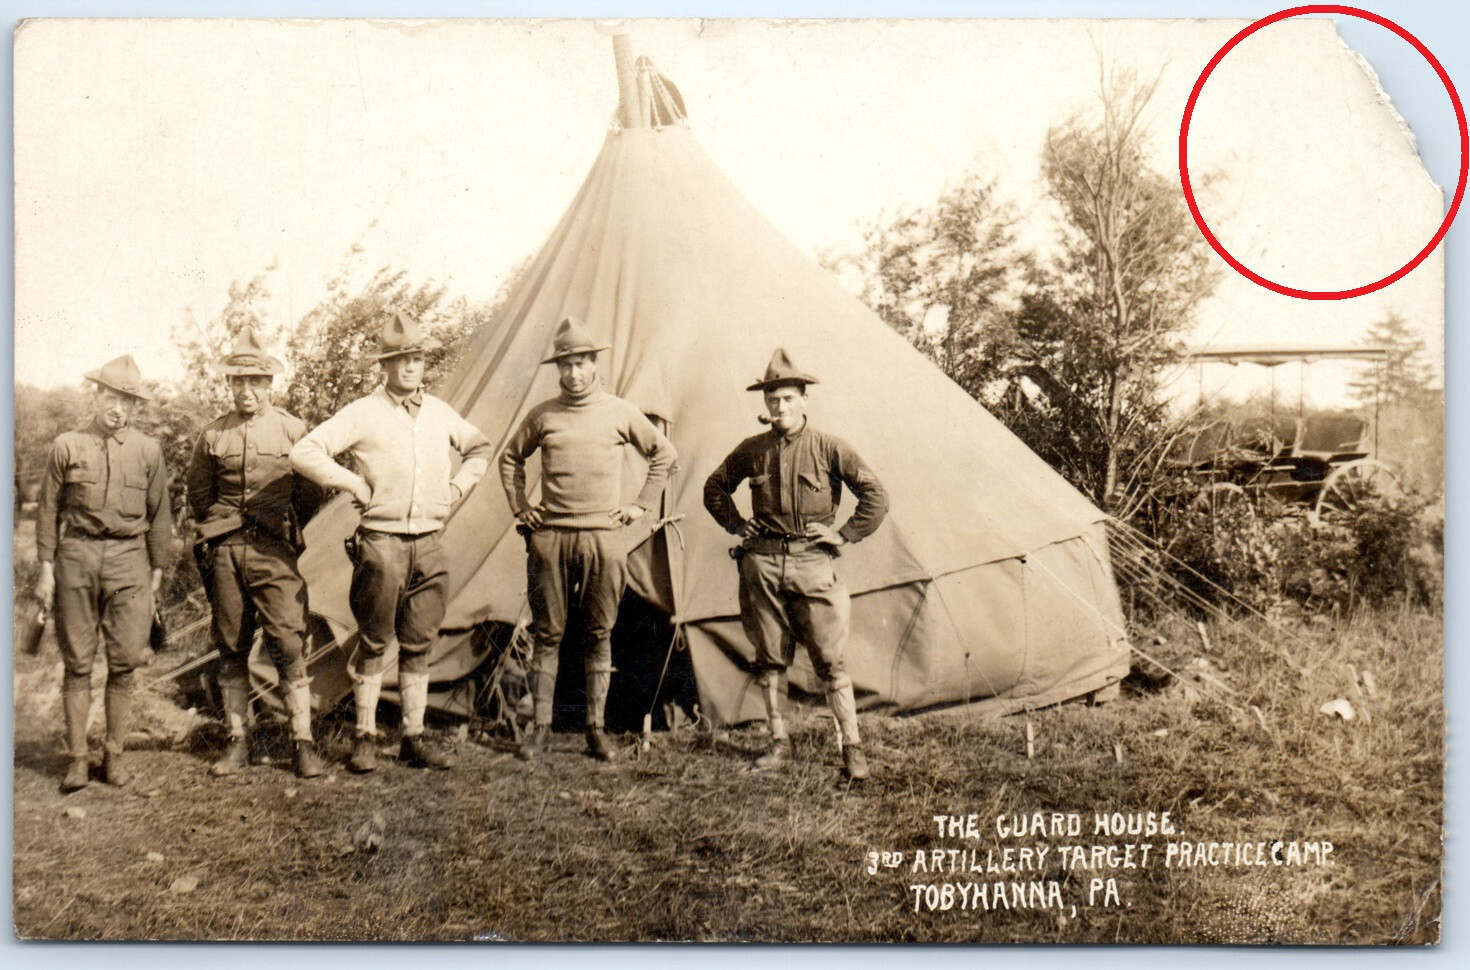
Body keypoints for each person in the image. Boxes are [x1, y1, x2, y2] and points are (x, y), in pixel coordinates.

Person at [290, 312, 492, 773]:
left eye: (417, 358)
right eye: (400, 359)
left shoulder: (440, 412)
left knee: (419, 642)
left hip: (431, 541)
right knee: (375, 639)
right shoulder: (364, 412)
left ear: (425, 362)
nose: (409, 367)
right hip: (381, 543)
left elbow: (480, 448)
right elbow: (304, 451)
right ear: (385, 365)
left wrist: (458, 489)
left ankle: (412, 738)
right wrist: (354, 486)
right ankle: (364, 737)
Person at [702, 349, 888, 780]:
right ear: (765, 405)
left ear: (804, 399)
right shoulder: (752, 451)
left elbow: (876, 496)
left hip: (812, 564)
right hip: (762, 564)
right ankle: (778, 743)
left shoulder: (829, 448)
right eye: (772, 401)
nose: (780, 407)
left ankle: (852, 748)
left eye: (788, 399)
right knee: (769, 658)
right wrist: (736, 525)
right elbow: (714, 488)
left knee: (830, 660)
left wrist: (842, 535)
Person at [500, 317, 676, 762]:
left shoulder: (619, 411)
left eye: (581, 363)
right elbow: (509, 459)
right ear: (557, 369)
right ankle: (539, 728)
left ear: (595, 365)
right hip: (552, 535)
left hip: (603, 536)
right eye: (566, 365)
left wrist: (639, 504)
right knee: (548, 633)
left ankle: (595, 730)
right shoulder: (543, 415)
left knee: (600, 631)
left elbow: (663, 453)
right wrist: (522, 507)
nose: (574, 373)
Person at [186, 328, 326, 779]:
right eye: (238, 382)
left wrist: (282, 528)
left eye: (256, 381)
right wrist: (222, 532)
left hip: (273, 551)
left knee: (287, 640)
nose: (246, 390)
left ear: (270, 384)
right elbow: (199, 495)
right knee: (231, 644)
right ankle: (238, 741)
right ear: (229, 385)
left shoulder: (292, 429)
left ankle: (302, 743)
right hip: (226, 549)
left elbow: (310, 493)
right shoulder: (212, 435)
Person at [35, 355, 172, 793]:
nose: (119, 408)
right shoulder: (67, 445)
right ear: (97, 395)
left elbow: (160, 516)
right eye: (112, 397)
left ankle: (113, 757)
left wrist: (155, 576)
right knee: (77, 662)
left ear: (136, 408)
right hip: (75, 555)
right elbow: (47, 512)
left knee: (125, 663)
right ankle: (77, 760)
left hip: (129, 560)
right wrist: (45, 569)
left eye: (128, 401)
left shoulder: (149, 451)